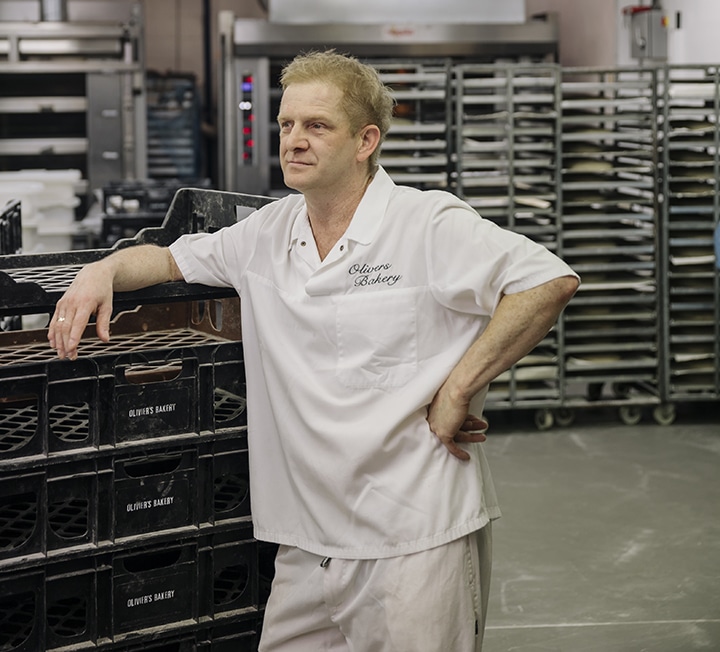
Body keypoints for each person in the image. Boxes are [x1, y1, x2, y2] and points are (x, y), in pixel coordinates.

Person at [49, 50, 579, 651]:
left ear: (365, 141)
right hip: (305, 545)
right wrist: (102, 270)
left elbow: (547, 281)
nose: (294, 140)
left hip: (413, 541)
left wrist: (459, 387)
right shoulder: (268, 233)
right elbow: (170, 259)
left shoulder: (426, 224)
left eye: (317, 126)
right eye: (286, 124)